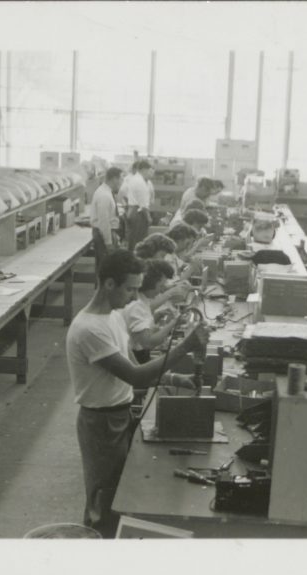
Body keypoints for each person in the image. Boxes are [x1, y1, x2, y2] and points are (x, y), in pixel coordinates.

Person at [66, 250, 209, 538]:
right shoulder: (89, 329)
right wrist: (184, 347)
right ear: (108, 284)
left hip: (119, 415)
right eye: (130, 288)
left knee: (118, 494)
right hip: (101, 424)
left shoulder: (114, 317)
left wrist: (174, 377)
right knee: (102, 503)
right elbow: (135, 376)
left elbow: (133, 366)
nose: (134, 296)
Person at [121, 259, 180, 364]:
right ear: (150, 284)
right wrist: (174, 323)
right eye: (160, 286)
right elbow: (149, 343)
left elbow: (137, 330)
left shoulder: (143, 300)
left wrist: (156, 317)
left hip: (137, 354)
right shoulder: (137, 305)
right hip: (135, 359)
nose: (162, 290)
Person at [88, 167, 123, 276]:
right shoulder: (104, 195)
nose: (121, 182)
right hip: (103, 234)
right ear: (114, 179)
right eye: (121, 179)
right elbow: (104, 222)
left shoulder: (106, 192)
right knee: (106, 269)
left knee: (107, 267)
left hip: (106, 233)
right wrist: (108, 243)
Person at [126, 160, 154, 251]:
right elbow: (144, 205)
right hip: (138, 213)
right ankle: (135, 261)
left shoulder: (138, 179)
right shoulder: (140, 182)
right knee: (138, 241)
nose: (151, 173)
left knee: (134, 240)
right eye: (150, 170)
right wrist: (148, 218)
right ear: (144, 169)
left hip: (134, 211)